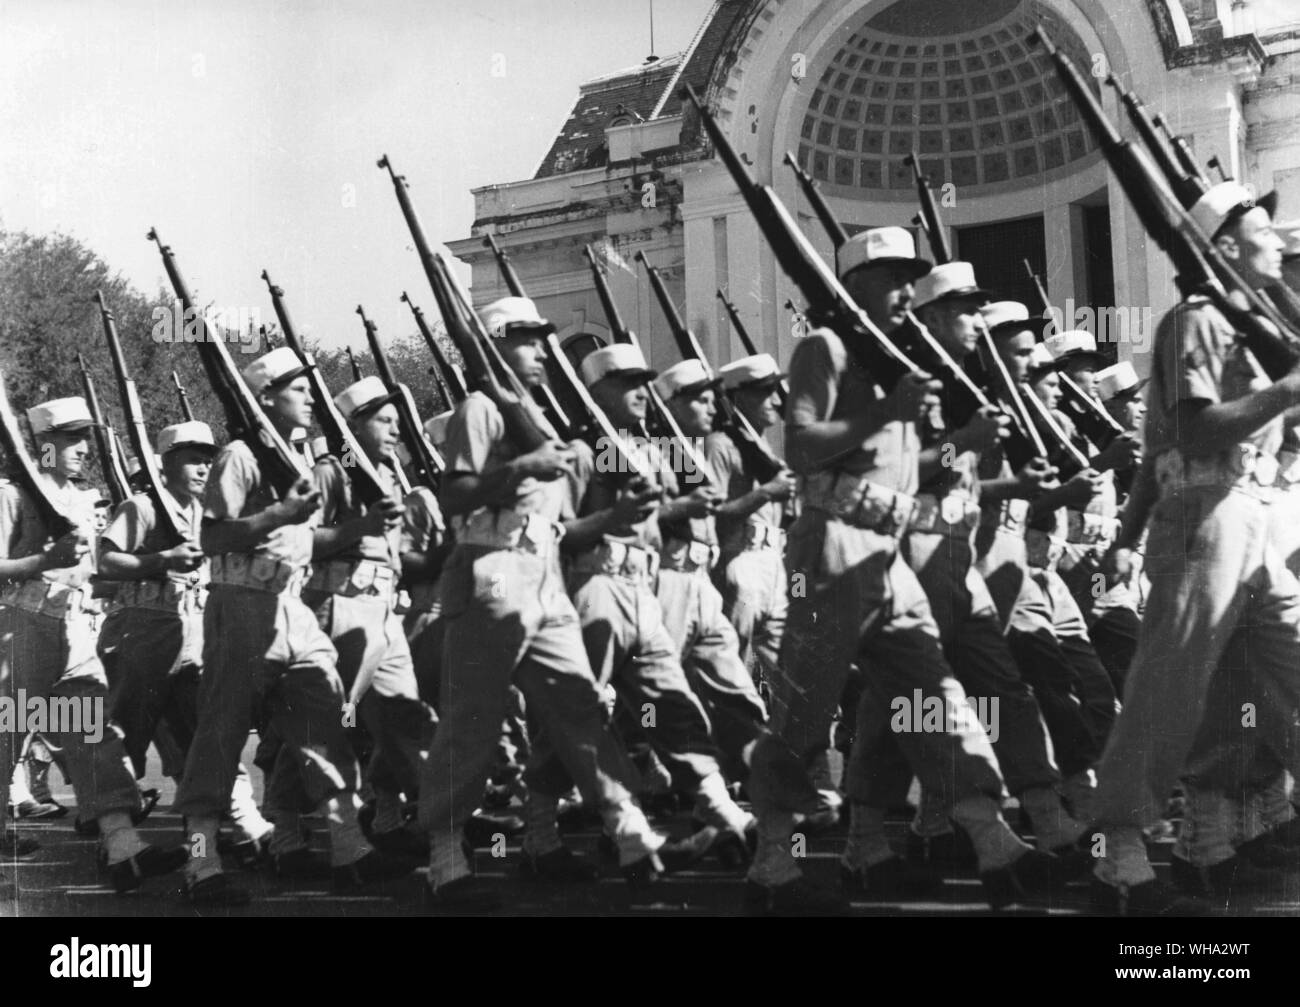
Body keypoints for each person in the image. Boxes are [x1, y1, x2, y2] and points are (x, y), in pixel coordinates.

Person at [744, 228, 1067, 914]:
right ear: (851, 283)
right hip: (830, 548)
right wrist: (886, 413)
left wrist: (950, 440)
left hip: (889, 553)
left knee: (933, 693)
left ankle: (992, 838)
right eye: (890, 276)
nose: (903, 290)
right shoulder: (823, 349)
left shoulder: (895, 360)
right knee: (803, 715)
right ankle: (773, 858)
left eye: (907, 277)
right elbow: (800, 447)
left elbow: (914, 467)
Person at [419, 296, 675, 912]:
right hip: (491, 570)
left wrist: (617, 516)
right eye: (528, 341)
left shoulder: (541, 416)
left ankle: (628, 828)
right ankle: (446, 853)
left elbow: (560, 526)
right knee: (474, 718)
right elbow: (453, 498)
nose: (542, 352)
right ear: (495, 346)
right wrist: (524, 467)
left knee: (580, 705)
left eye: (542, 340)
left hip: (545, 575)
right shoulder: (480, 408)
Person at [1090, 181, 1300, 915]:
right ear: (1227, 248)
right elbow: (1192, 432)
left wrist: (1122, 534)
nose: (1278, 241)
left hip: (1251, 515)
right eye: (1264, 232)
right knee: (1166, 689)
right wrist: (1287, 390)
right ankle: (1121, 856)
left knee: (1263, 681)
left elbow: (1151, 450)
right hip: (1202, 515)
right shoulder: (1194, 320)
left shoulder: (1250, 322)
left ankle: (1219, 836)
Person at [175, 347, 411, 906]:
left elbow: (309, 542)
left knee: (324, 717)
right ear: (264, 399)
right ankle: (201, 865)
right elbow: (212, 537)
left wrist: (362, 526)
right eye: (299, 389)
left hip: (292, 602)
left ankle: (350, 848)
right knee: (222, 732)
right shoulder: (240, 454)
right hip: (241, 603)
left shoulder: (300, 458)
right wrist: (279, 513)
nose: (311, 397)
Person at [564, 345, 757, 859]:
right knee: (577, 711)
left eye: (643, 382)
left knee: (672, 703)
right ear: (597, 392)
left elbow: (663, 510)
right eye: (628, 384)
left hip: (645, 587)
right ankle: (550, 826)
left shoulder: (649, 448)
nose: (642, 394)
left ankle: (718, 808)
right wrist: (682, 504)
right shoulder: (593, 448)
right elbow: (590, 522)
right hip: (601, 584)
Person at [0, 396, 185, 891]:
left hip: (74, 632)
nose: (84, 448)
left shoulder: (82, 501)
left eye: (86, 437)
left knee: (95, 737)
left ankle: (124, 849)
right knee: (5, 742)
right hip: (22, 628)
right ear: (40, 447)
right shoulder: (12, 496)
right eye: (71, 439)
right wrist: (45, 560)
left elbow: (93, 575)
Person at [97, 420, 273, 862]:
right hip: (143, 627)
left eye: (207, 459)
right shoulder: (141, 506)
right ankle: (115, 842)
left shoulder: (204, 512)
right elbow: (107, 562)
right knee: (123, 741)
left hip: (193, 630)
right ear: (166, 463)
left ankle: (224, 836)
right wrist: (161, 559)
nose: (202, 467)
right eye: (192, 458)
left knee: (208, 739)